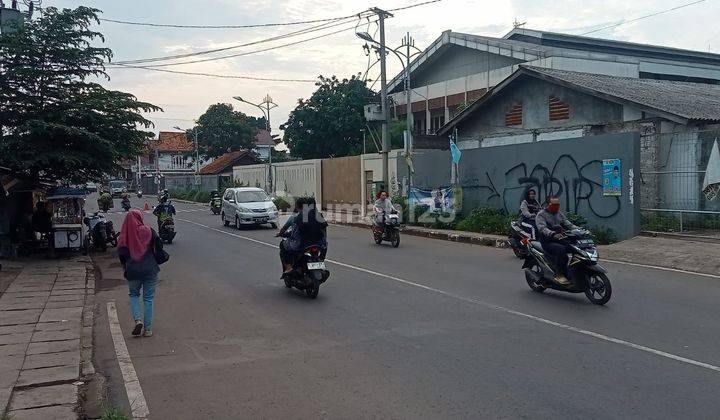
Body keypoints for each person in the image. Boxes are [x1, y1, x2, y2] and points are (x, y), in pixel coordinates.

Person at [117, 209, 163, 337]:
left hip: (133, 270)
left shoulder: (124, 235)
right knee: (148, 298)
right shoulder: (149, 231)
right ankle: (148, 329)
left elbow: (122, 254)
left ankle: (138, 320)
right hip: (150, 269)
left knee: (133, 295)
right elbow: (159, 247)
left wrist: (125, 267)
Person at [535, 196, 578, 286]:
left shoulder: (559, 213)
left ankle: (573, 272)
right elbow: (542, 228)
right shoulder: (541, 215)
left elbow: (568, 224)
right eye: (553, 204)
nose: (556, 206)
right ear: (547, 204)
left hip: (560, 239)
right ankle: (559, 275)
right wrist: (552, 234)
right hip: (547, 241)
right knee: (561, 250)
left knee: (576, 247)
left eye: (557, 204)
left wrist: (580, 230)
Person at [281, 198, 327, 275]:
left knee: (283, 244)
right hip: (320, 244)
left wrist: (286, 235)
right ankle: (320, 263)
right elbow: (324, 232)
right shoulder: (319, 216)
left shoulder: (298, 217)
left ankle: (289, 267)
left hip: (303, 245)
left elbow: (295, 234)